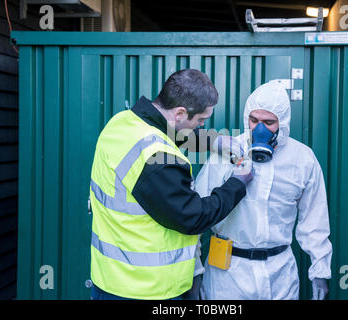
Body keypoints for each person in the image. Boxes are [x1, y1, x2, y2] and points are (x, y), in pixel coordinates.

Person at [88, 69, 254, 300]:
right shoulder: (157, 160)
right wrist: (238, 182)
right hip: (145, 289)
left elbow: (162, 131)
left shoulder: (122, 123)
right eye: (200, 120)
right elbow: (193, 216)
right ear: (180, 113)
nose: (201, 125)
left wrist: (213, 140)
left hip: (109, 278)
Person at [194, 80, 333, 300]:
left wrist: (320, 272)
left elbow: (314, 221)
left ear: (283, 123)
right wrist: (195, 273)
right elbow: (198, 213)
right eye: (254, 120)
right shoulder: (226, 153)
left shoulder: (302, 159)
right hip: (227, 274)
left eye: (269, 122)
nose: (260, 128)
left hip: (280, 274)